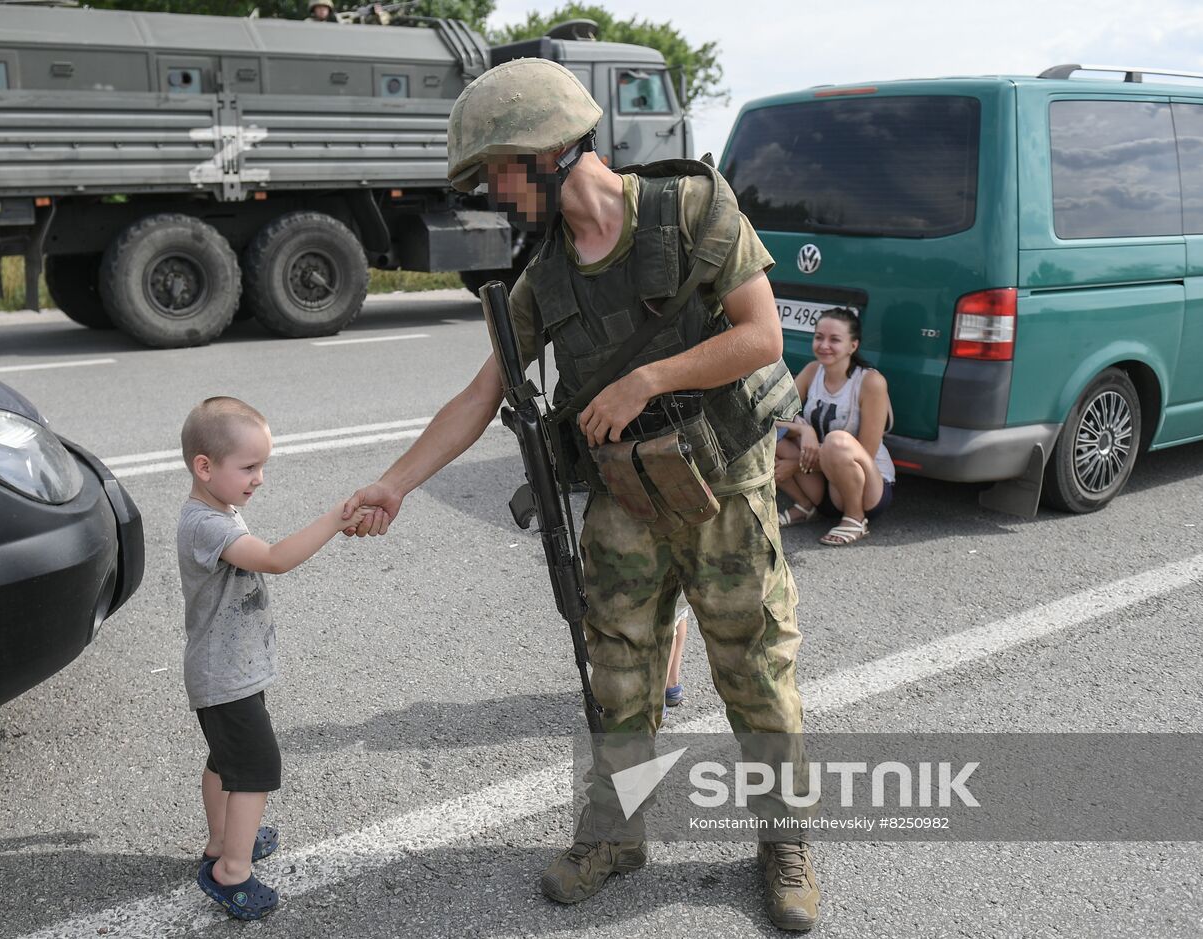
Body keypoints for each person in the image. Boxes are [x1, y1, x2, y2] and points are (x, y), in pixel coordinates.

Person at [339, 58, 820, 931]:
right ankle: (617, 832)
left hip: (723, 484)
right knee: (619, 677)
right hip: (625, 497)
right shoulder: (543, 279)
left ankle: (782, 837)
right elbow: (481, 394)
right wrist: (395, 484)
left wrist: (647, 379)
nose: (493, 192)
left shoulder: (691, 207)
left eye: (498, 171)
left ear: (548, 151)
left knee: (754, 668)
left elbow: (760, 337)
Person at [178, 396, 372, 921]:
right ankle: (231, 872)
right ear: (205, 467)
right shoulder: (207, 524)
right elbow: (274, 559)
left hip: (227, 671)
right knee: (256, 770)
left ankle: (223, 841)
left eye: (261, 465)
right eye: (249, 467)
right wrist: (334, 519)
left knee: (226, 761)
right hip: (224, 676)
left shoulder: (216, 508)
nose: (259, 478)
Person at [775, 308, 895, 546]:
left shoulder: (871, 382)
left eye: (835, 340)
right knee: (767, 434)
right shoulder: (812, 371)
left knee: (837, 441)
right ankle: (805, 506)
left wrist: (795, 465)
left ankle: (855, 519)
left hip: (865, 489)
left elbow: (866, 452)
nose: (824, 345)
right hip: (824, 487)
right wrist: (804, 430)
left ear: (853, 345)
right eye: (819, 337)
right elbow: (775, 412)